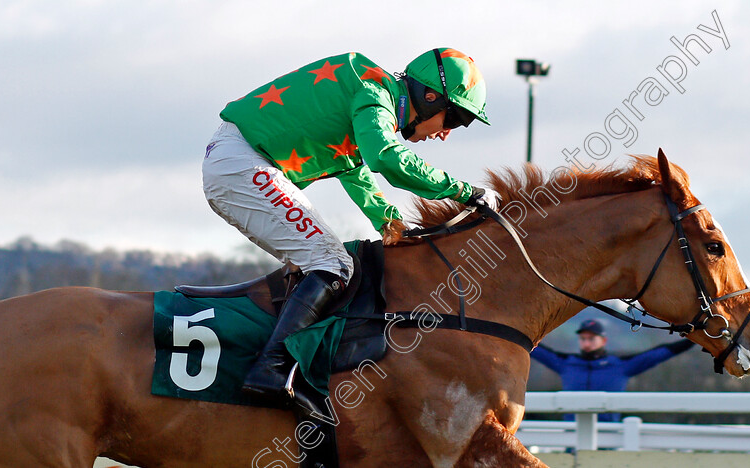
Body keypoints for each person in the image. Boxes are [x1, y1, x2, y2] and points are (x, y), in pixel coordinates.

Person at [202, 48, 500, 406]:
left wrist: (388, 219)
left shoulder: (372, 94)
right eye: (454, 120)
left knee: (322, 263)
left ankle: (284, 362)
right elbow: (384, 157)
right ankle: (271, 368)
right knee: (333, 263)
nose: (446, 134)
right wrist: (464, 192)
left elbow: (353, 167)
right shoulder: (375, 92)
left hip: (241, 162)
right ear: (430, 97)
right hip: (243, 164)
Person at [531, 319, 695, 422]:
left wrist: (694, 339)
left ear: (603, 340)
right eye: (583, 339)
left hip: (609, 436)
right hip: (571, 437)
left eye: (591, 338)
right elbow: (531, 347)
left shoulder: (621, 365)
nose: (586, 343)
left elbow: (659, 354)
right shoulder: (565, 363)